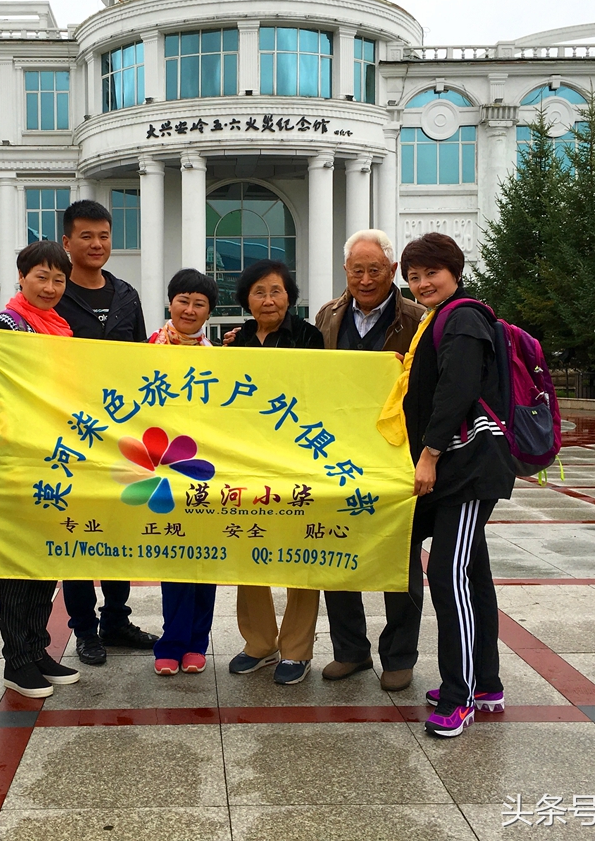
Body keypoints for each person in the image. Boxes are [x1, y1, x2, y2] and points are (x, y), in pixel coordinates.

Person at [386, 232, 515, 737]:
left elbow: (456, 391)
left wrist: (430, 455)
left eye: (430, 273)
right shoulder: (443, 319)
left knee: (449, 578)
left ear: (454, 271)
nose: (421, 284)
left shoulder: (461, 318)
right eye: (413, 277)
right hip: (463, 469)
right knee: (474, 576)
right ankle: (485, 683)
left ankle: (458, 695)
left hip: (464, 470)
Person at [313, 230, 426, 693]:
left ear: (392, 272)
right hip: (337, 452)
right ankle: (350, 650)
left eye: (374, 269)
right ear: (346, 272)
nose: (364, 279)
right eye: (356, 270)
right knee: (336, 544)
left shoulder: (419, 317)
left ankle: (399, 656)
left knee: (399, 553)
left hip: (396, 453)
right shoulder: (328, 316)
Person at [0, 241, 82, 698]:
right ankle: (16, 660)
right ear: (21, 277)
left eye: (59, 279)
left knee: (42, 557)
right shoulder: (4, 328)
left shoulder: (58, 327)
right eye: (42, 277)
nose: (51, 287)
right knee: (14, 559)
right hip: (11, 460)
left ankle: (37, 650)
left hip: (48, 458)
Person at [53, 199, 157, 665]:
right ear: (66, 242)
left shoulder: (127, 296)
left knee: (118, 528)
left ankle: (116, 619)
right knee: (78, 530)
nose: (97, 245)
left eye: (104, 236)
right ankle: (84, 628)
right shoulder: (54, 296)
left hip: (121, 437)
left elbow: (142, 364)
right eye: (87, 236)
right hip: (69, 436)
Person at [223, 259, 324, 684]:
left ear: (290, 297)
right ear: (246, 298)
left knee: (301, 551)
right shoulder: (236, 341)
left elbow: (321, 391)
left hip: (298, 458)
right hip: (246, 460)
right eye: (259, 291)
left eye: (277, 291)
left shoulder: (309, 337)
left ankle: (297, 650)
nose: (268, 299)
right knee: (250, 546)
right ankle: (260, 643)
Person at [148, 268, 218, 675]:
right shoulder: (147, 350)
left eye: (199, 304)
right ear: (170, 302)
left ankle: (197, 642)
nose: (190, 310)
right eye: (183, 301)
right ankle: (170, 643)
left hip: (203, 469)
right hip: (160, 466)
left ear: (209, 311)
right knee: (174, 555)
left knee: (204, 557)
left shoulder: (216, 358)